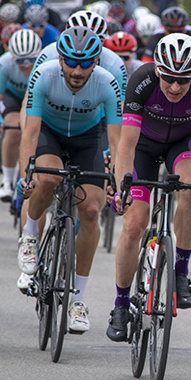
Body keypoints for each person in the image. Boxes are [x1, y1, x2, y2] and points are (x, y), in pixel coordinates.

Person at [105, 33, 191, 342]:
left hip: (184, 143)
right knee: (133, 225)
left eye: (183, 81)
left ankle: (180, 272)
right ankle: (120, 305)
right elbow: (126, 145)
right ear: (157, 70)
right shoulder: (141, 80)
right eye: (168, 78)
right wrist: (121, 188)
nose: (175, 87)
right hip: (143, 146)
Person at [16, 27, 122, 333]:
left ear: (96, 62)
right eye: (71, 63)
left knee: (90, 211)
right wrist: (27, 174)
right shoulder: (44, 74)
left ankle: (78, 298)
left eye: (85, 63)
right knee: (47, 178)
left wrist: (116, 178)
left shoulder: (107, 83)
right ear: (60, 59)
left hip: (88, 138)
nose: (77, 71)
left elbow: (116, 141)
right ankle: (30, 235)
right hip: (50, 133)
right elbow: (31, 132)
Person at [0, 29, 42, 201]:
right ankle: (7, 181)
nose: (26, 65)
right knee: (13, 128)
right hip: (13, 98)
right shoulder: (4, 62)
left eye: (31, 60)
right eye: (20, 61)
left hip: (38, 99)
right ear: (12, 56)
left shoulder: (45, 62)